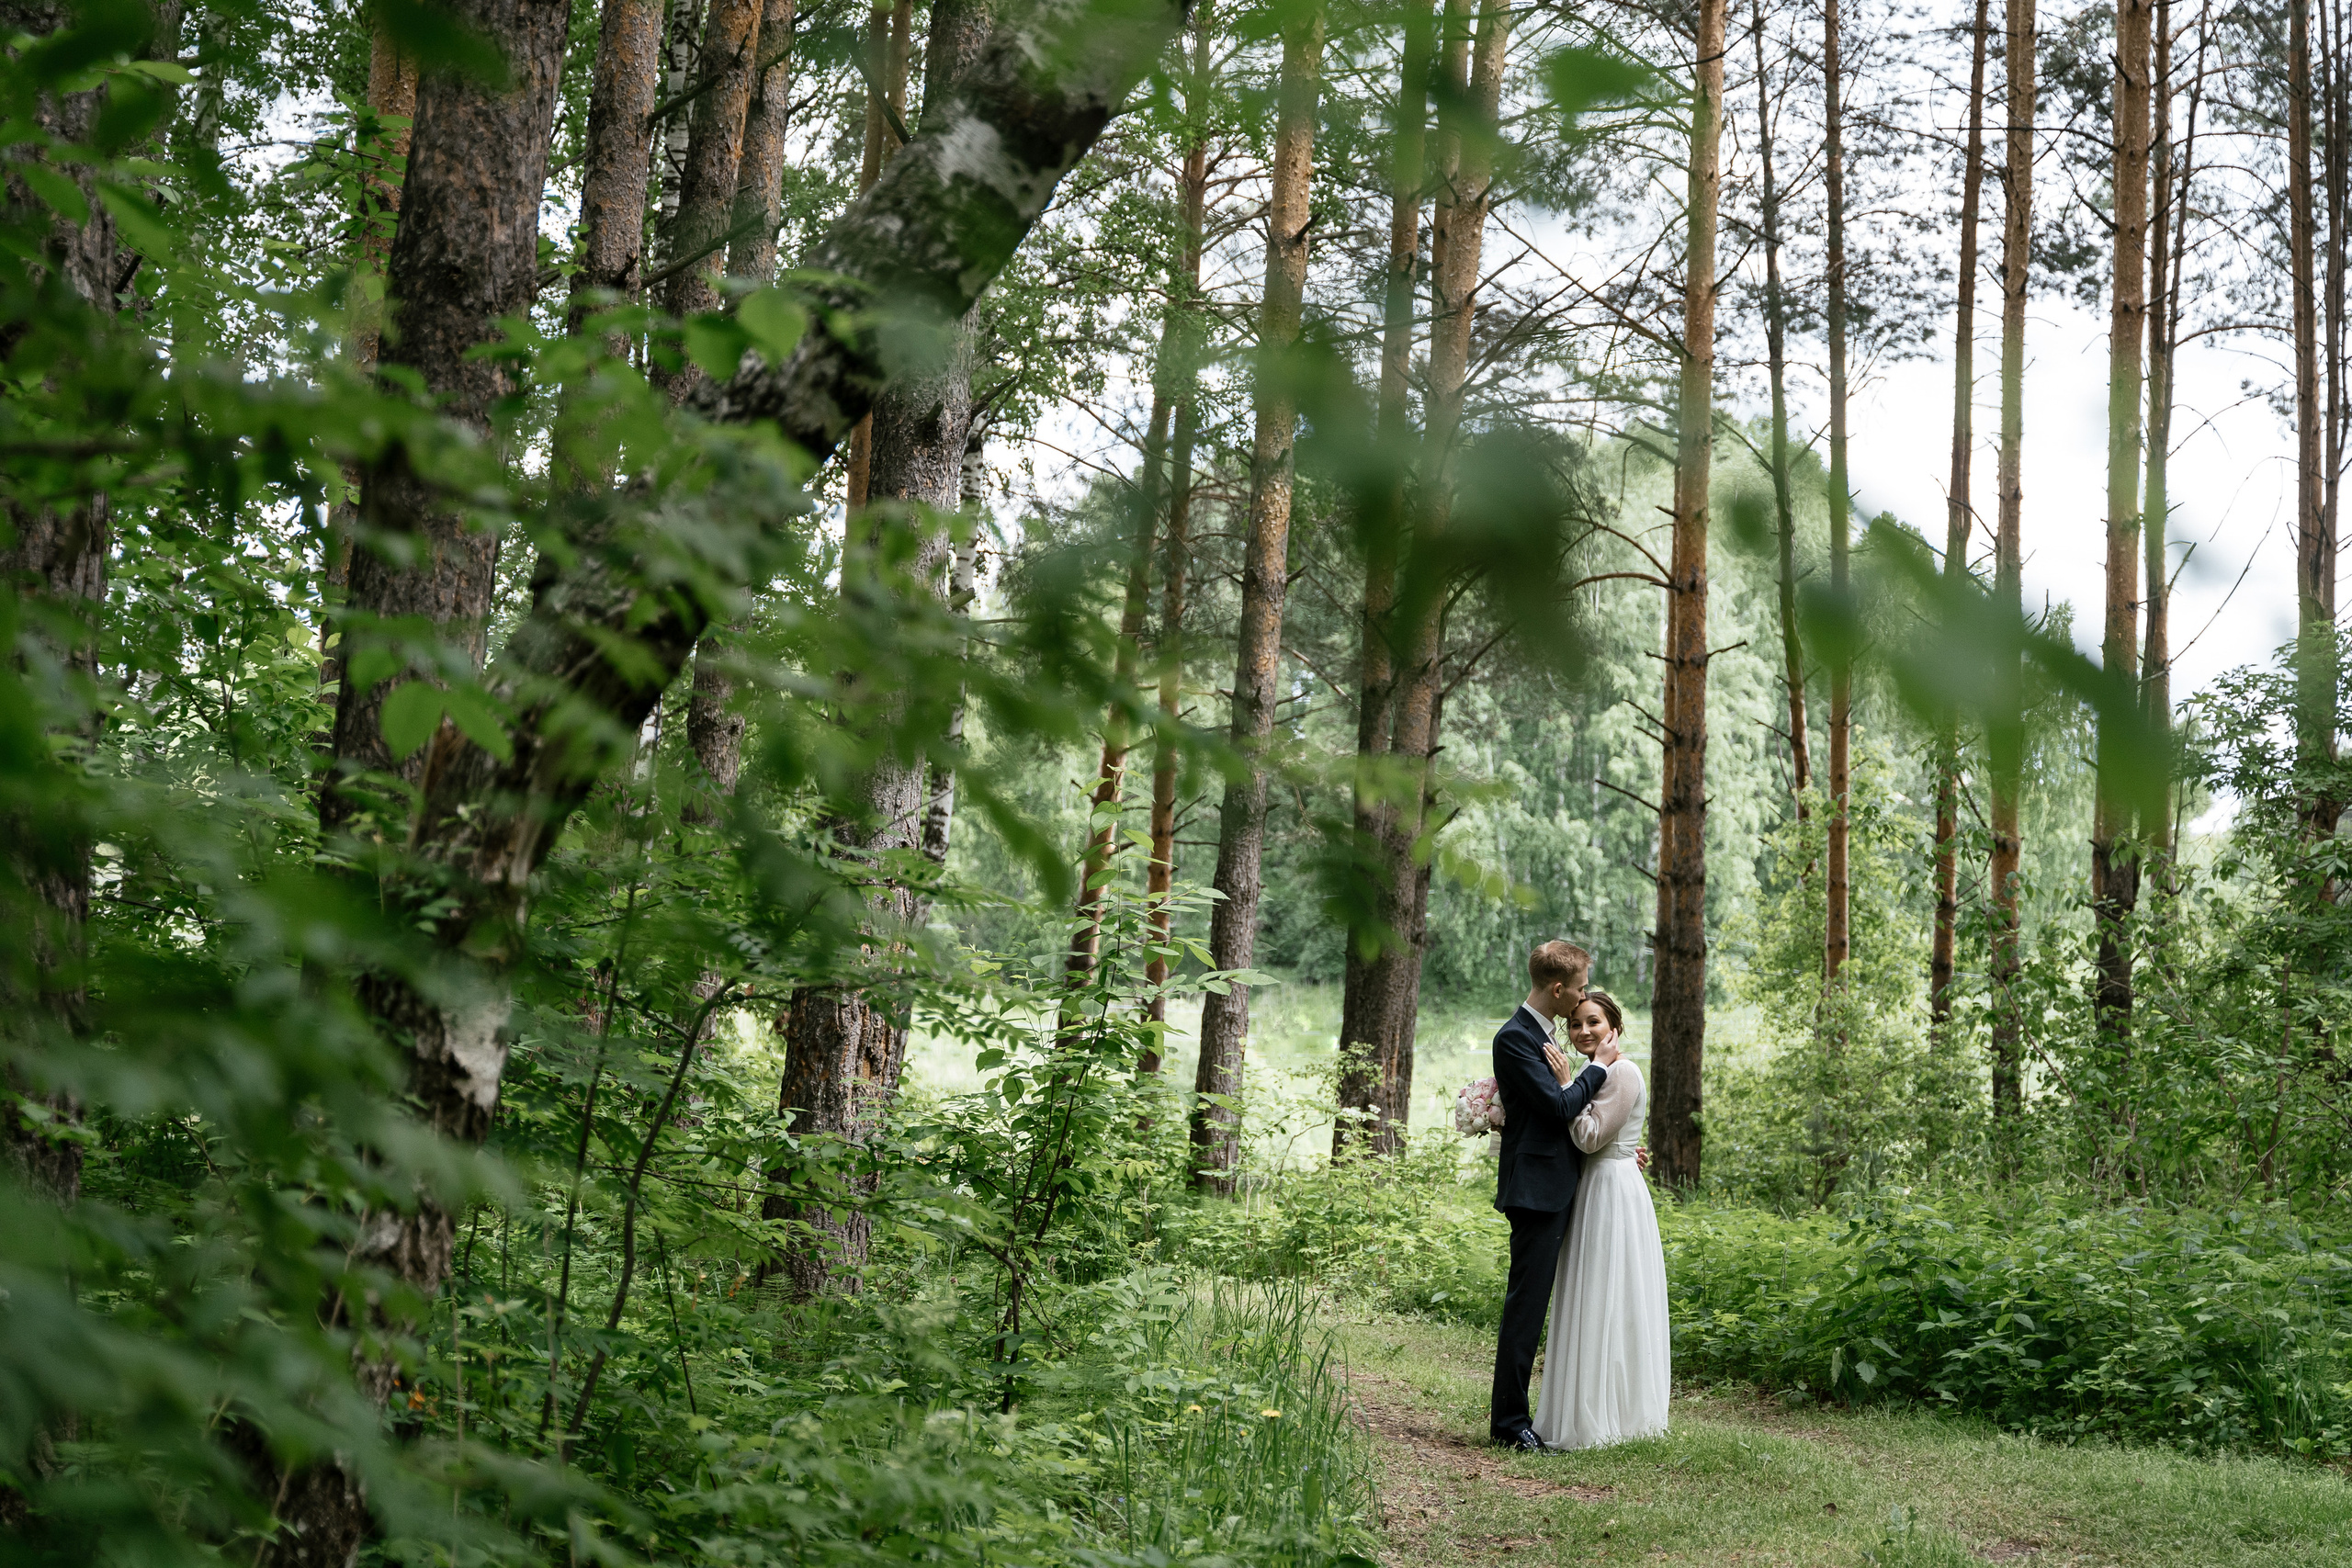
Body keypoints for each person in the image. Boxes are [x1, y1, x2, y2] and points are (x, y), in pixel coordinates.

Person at [1532, 987, 1670, 1450]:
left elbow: (1590, 1136)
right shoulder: (1603, 1073)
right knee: (1592, 1294)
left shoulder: (1621, 1072)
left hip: (1611, 1191)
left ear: (1615, 1027)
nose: (1584, 1030)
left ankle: (1612, 1412)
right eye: (1575, 1024)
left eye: (1594, 1021)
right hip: (1595, 1186)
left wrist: (1571, 1083)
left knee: (1611, 1295)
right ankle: (1585, 1403)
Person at [1487, 940, 1609, 1450]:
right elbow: (1558, 1108)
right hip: (1535, 1191)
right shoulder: (1515, 1039)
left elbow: (1564, 1110)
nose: (1584, 997)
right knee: (1527, 1307)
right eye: (1579, 988)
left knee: (1544, 1305)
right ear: (1558, 989)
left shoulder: (1545, 1035)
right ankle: (1510, 1425)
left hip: (1560, 1185)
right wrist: (1598, 1069)